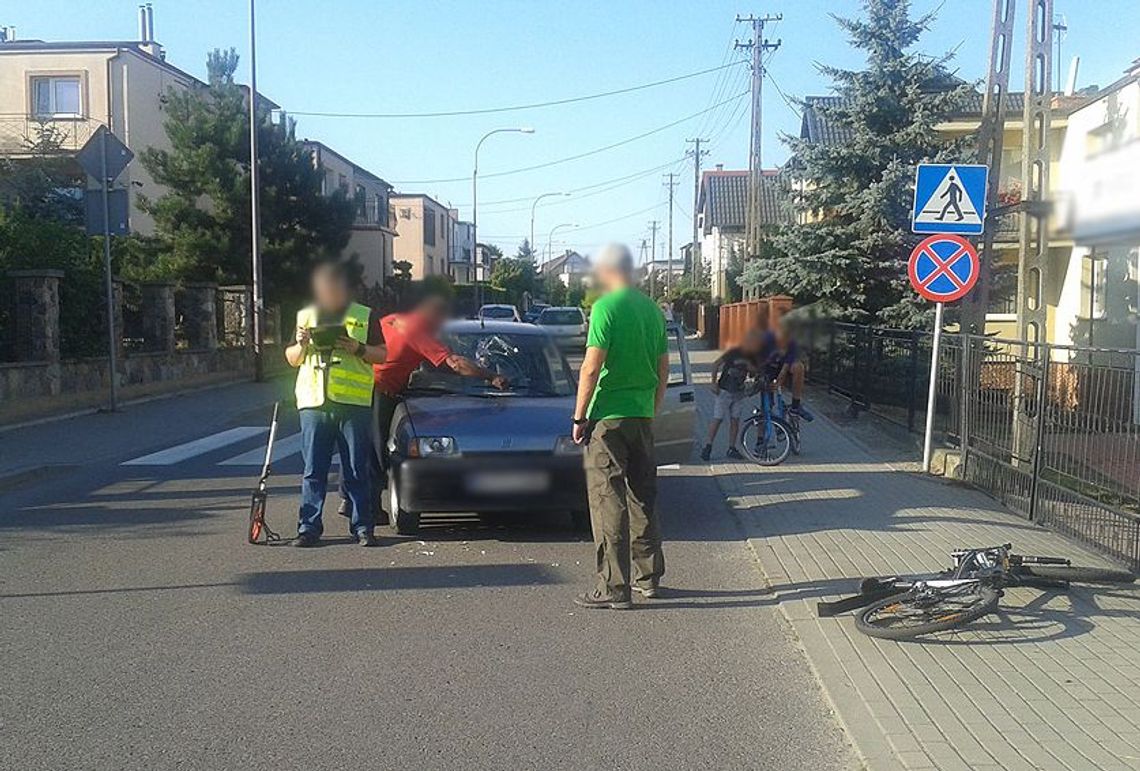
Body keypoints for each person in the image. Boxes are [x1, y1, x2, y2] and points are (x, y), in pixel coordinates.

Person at [339, 292, 509, 523]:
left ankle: (348, 498)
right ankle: (368, 507)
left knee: (357, 444)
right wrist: (491, 376)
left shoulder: (393, 319)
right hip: (380, 391)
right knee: (377, 450)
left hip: (357, 386)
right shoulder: (418, 332)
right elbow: (455, 364)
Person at [572, 243, 669, 610]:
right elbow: (663, 368)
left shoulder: (605, 308)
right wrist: (653, 408)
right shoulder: (652, 310)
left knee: (607, 498)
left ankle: (613, 586)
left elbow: (591, 368)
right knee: (643, 496)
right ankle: (649, 578)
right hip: (641, 415)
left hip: (608, 418)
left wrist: (579, 417)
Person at [284, 261, 387, 547]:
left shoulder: (364, 316)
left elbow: (383, 355)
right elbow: (291, 358)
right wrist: (302, 343)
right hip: (314, 403)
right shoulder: (305, 316)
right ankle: (308, 528)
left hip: (353, 404)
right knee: (313, 471)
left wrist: (359, 348)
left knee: (356, 468)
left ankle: (363, 527)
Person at [700, 329, 765, 461]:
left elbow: (754, 372)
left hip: (738, 392)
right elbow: (716, 364)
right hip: (724, 391)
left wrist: (751, 367)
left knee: (735, 420)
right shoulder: (734, 352)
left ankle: (731, 448)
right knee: (718, 418)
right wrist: (713, 383)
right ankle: (708, 446)